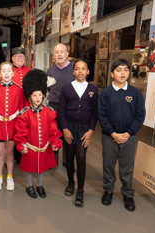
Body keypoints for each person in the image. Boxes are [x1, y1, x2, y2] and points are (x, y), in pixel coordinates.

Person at [98, 59, 145, 211]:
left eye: (125, 70)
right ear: (112, 74)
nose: (122, 73)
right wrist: (113, 133)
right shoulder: (105, 93)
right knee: (108, 165)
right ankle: (109, 190)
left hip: (128, 138)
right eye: (118, 70)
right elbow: (101, 115)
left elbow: (140, 116)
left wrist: (128, 133)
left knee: (127, 167)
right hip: (109, 137)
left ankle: (128, 194)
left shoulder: (135, 93)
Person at [14, 69, 62, 198]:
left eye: (39, 95)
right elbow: (20, 132)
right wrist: (21, 145)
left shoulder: (49, 112)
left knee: (42, 167)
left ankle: (40, 186)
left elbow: (53, 130)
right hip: (30, 147)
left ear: (43, 96)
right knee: (30, 168)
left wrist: (55, 142)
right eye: (34, 95)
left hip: (44, 147)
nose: (37, 98)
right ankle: (29, 186)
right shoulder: (25, 113)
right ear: (30, 96)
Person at [58, 60, 98, 206]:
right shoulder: (66, 88)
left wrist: (91, 131)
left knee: (80, 157)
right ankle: (70, 183)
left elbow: (94, 113)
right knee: (69, 156)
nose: (80, 71)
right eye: (77, 69)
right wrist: (65, 129)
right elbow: (61, 110)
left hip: (84, 129)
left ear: (88, 71)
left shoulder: (93, 89)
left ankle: (80, 190)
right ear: (73, 71)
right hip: (69, 127)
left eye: (83, 69)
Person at [0, 61, 24, 191]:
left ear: (13, 73)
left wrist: (20, 129)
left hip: (13, 126)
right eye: (4, 71)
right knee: (0, 151)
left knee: (9, 152)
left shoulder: (19, 89)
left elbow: (21, 110)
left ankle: (9, 176)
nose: (6, 73)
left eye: (9, 71)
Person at [46, 43, 75, 164]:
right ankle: (54, 160)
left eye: (61, 52)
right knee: (54, 133)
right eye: (56, 52)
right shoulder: (50, 70)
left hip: (70, 107)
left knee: (68, 134)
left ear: (67, 54)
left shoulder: (74, 68)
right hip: (53, 106)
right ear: (54, 56)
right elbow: (48, 88)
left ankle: (67, 161)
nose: (59, 55)